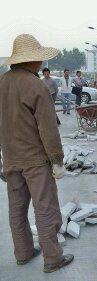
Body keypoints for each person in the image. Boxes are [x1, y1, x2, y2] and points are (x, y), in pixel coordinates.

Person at [0, 34, 74, 273]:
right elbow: (48, 128)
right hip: (35, 160)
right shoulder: (36, 86)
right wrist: (57, 160)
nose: (42, 63)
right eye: (39, 59)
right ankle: (53, 258)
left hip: (10, 159)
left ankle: (23, 252)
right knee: (45, 208)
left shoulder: (2, 83)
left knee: (16, 208)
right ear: (31, 61)